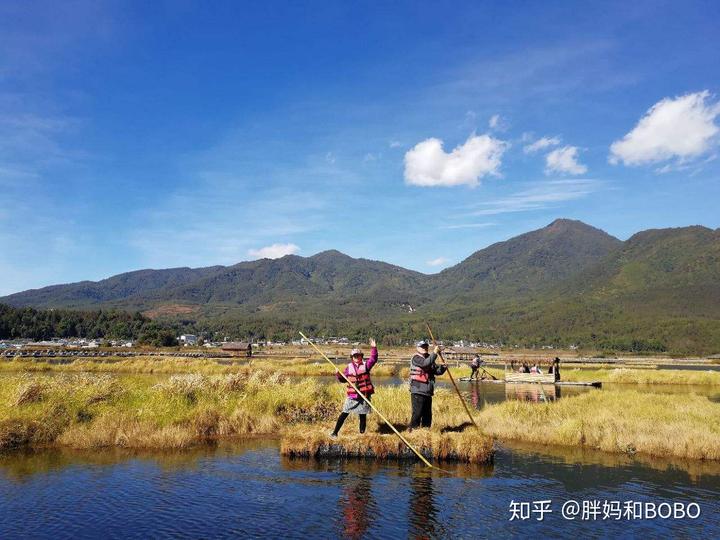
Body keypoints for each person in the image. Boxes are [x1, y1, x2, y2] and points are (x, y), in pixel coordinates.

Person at [330, 339, 378, 438]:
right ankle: (335, 432)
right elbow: (343, 380)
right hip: (352, 396)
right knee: (344, 413)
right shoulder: (348, 367)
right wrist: (338, 374)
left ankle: (361, 434)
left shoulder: (366, 365)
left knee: (362, 415)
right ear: (352, 357)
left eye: (358, 355)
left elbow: (373, 359)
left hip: (364, 395)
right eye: (355, 356)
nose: (357, 357)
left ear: (361, 356)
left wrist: (374, 347)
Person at [409, 339, 446, 430]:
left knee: (427, 415)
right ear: (418, 348)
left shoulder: (429, 358)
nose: (424, 348)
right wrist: (435, 353)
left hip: (428, 391)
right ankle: (413, 432)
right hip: (418, 390)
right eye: (422, 347)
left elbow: (436, 371)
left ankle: (425, 432)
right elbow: (425, 364)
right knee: (417, 413)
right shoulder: (416, 358)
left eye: (426, 346)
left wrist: (443, 367)